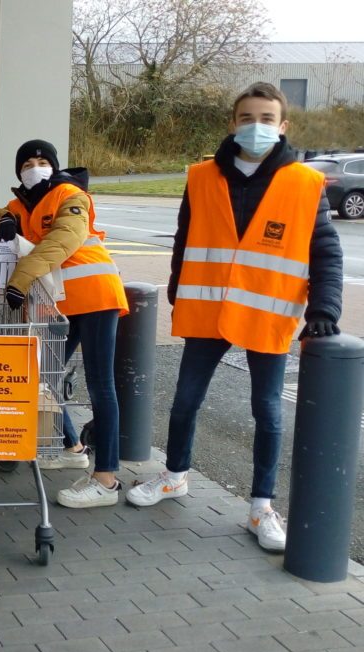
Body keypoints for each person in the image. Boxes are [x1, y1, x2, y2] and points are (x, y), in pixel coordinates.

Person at [126, 82, 343, 551]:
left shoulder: (305, 183)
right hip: (209, 310)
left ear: (283, 127)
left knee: (267, 413)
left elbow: (325, 252)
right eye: (247, 117)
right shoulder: (201, 176)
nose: (256, 126)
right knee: (184, 401)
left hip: (267, 314)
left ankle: (261, 506)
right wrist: (178, 285)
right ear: (232, 123)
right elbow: (186, 237)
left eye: (267, 119)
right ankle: (175, 476)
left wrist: (324, 308)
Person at [0, 139, 129, 507]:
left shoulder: (69, 194)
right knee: (43, 375)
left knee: (100, 384)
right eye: (27, 162)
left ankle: (106, 479)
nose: (35, 166)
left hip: (95, 294)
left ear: (54, 166)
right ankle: (73, 447)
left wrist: (20, 279)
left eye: (42, 161)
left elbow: (64, 239)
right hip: (62, 305)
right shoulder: (21, 205)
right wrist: (0, 219)